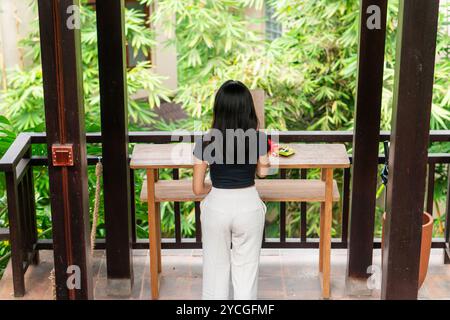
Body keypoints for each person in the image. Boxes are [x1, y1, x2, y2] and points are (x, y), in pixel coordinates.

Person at [192, 80, 271, 300]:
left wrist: (213, 186)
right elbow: (263, 173)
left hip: (217, 206)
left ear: (219, 109)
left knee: (215, 272)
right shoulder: (259, 139)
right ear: (248, 109)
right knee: (246, 273)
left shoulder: (206, 141)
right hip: (249, 207)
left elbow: (197, 188)